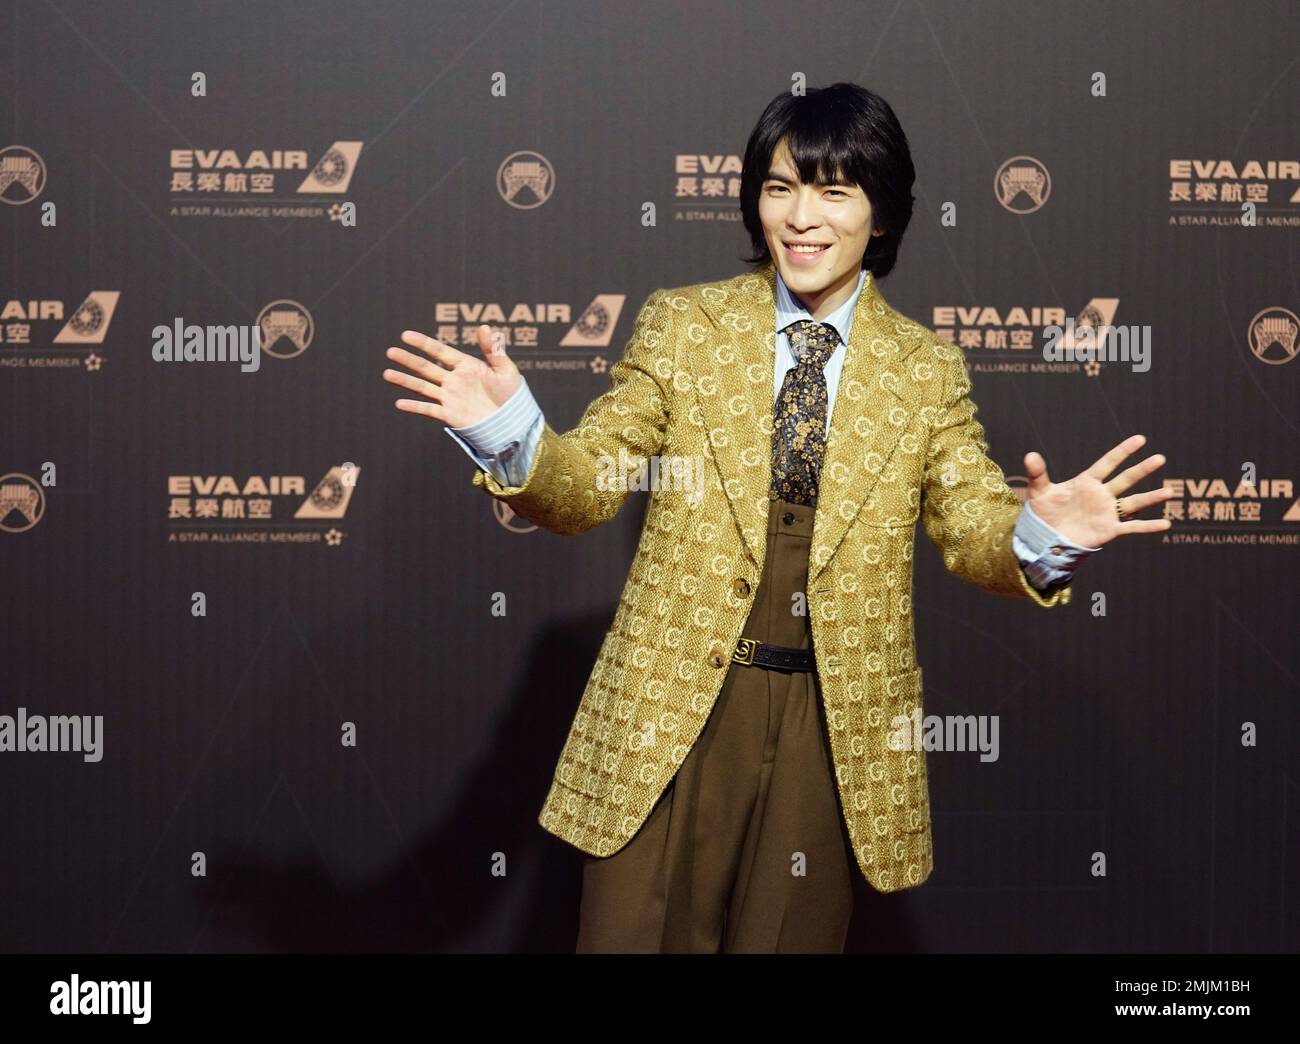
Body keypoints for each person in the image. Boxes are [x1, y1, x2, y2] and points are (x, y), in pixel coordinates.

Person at [383, 82, 1173, 953]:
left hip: (829, 734)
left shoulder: (926, 370)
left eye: (834, 191)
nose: (802, 217)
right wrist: (512, 431)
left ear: (882, 215)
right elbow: (588, 487)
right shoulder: (684, 326)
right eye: (780, 187)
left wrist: (1042, 533)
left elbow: (973, 528)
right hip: (672, 712)